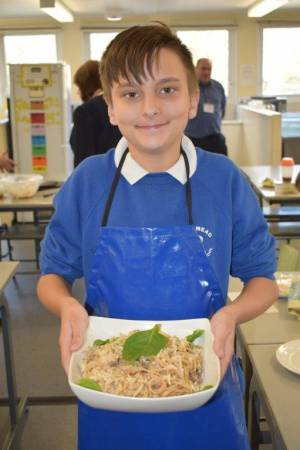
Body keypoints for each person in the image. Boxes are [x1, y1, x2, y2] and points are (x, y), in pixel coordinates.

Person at [37, 24, 278, 450]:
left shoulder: (223, 180)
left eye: (167, 90)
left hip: (206, 382)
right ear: (109, 107)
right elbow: (51, 275)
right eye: (131, 94)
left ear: (192, 100)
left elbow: (263, 280)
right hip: (108, 387)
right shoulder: (88, 182)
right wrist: (67, 307)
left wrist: (230, 317)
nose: (150, 108)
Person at [70, 60, 121, 167]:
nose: (78, 92)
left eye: (79, 88)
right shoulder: (121, 105)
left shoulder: (85, 112)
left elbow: (82, 161)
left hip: (97, 178)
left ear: (87, 85)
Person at [185, 58, 228, 156]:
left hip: (214, 138)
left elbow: (222, 110)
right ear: (196, 69)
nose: (206, 72)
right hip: (192, 138)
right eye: (203, 69)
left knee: (221, 167)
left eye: (209, 69)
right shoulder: (188, 87)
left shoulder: (218, 87)